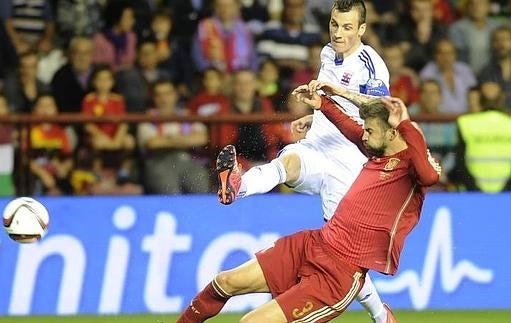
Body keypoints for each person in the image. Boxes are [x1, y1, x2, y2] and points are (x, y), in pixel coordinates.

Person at [178, 90, 441, 323]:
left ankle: (381, 316)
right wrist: (323, 105)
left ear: (393, 132)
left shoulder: (410, 166)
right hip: (314, 244)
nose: (363, 134)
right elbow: (349, 127)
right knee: (225, 282)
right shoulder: (377, 152)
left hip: (338, 276)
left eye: (370, 130)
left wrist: (406, 123)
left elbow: (430, 176)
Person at [216, 1, 392, 321]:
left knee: (343, 254)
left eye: (348, 27)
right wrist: (315, 115)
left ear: (362, 29)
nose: (339, 33)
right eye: (334, 25)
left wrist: (336, 93)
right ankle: (236, 185)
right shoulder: (327, 52)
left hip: (349, 162)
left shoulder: (372, 65)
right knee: (288, 163)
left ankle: (381, 315)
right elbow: (331, 100)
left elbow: (381, 109)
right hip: (318, 145)